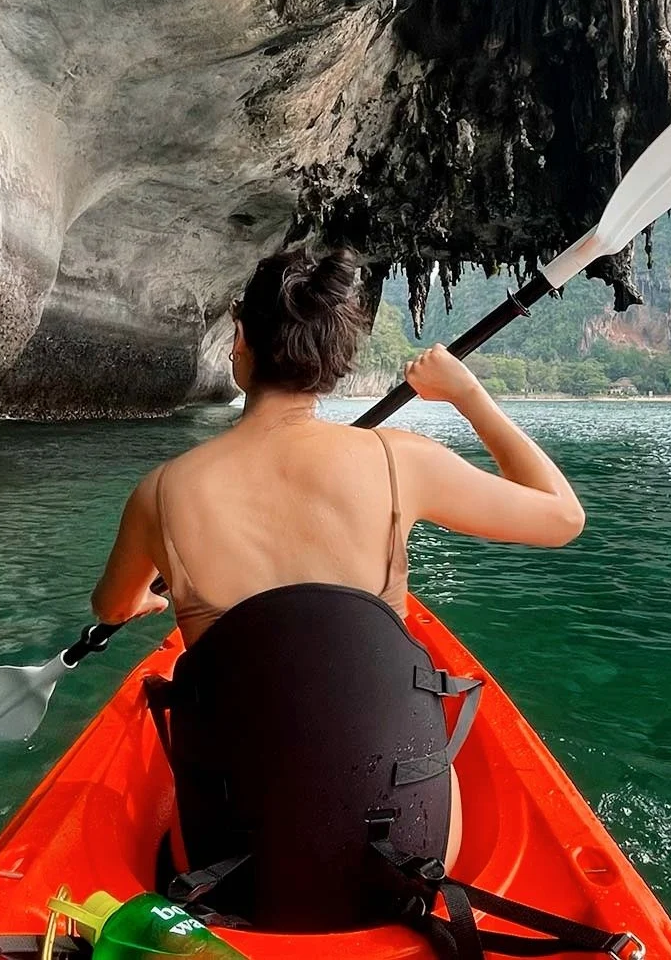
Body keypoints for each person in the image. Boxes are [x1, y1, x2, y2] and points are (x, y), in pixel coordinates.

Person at [90, 244, 585, 909]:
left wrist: (149, 602)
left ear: (240, 342)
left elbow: (113, 605)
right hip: (407, 851)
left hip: (228, 863)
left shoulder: (161, 493)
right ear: (335, 362)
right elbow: (563, 517)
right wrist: (468, 394)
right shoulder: (396, 461)